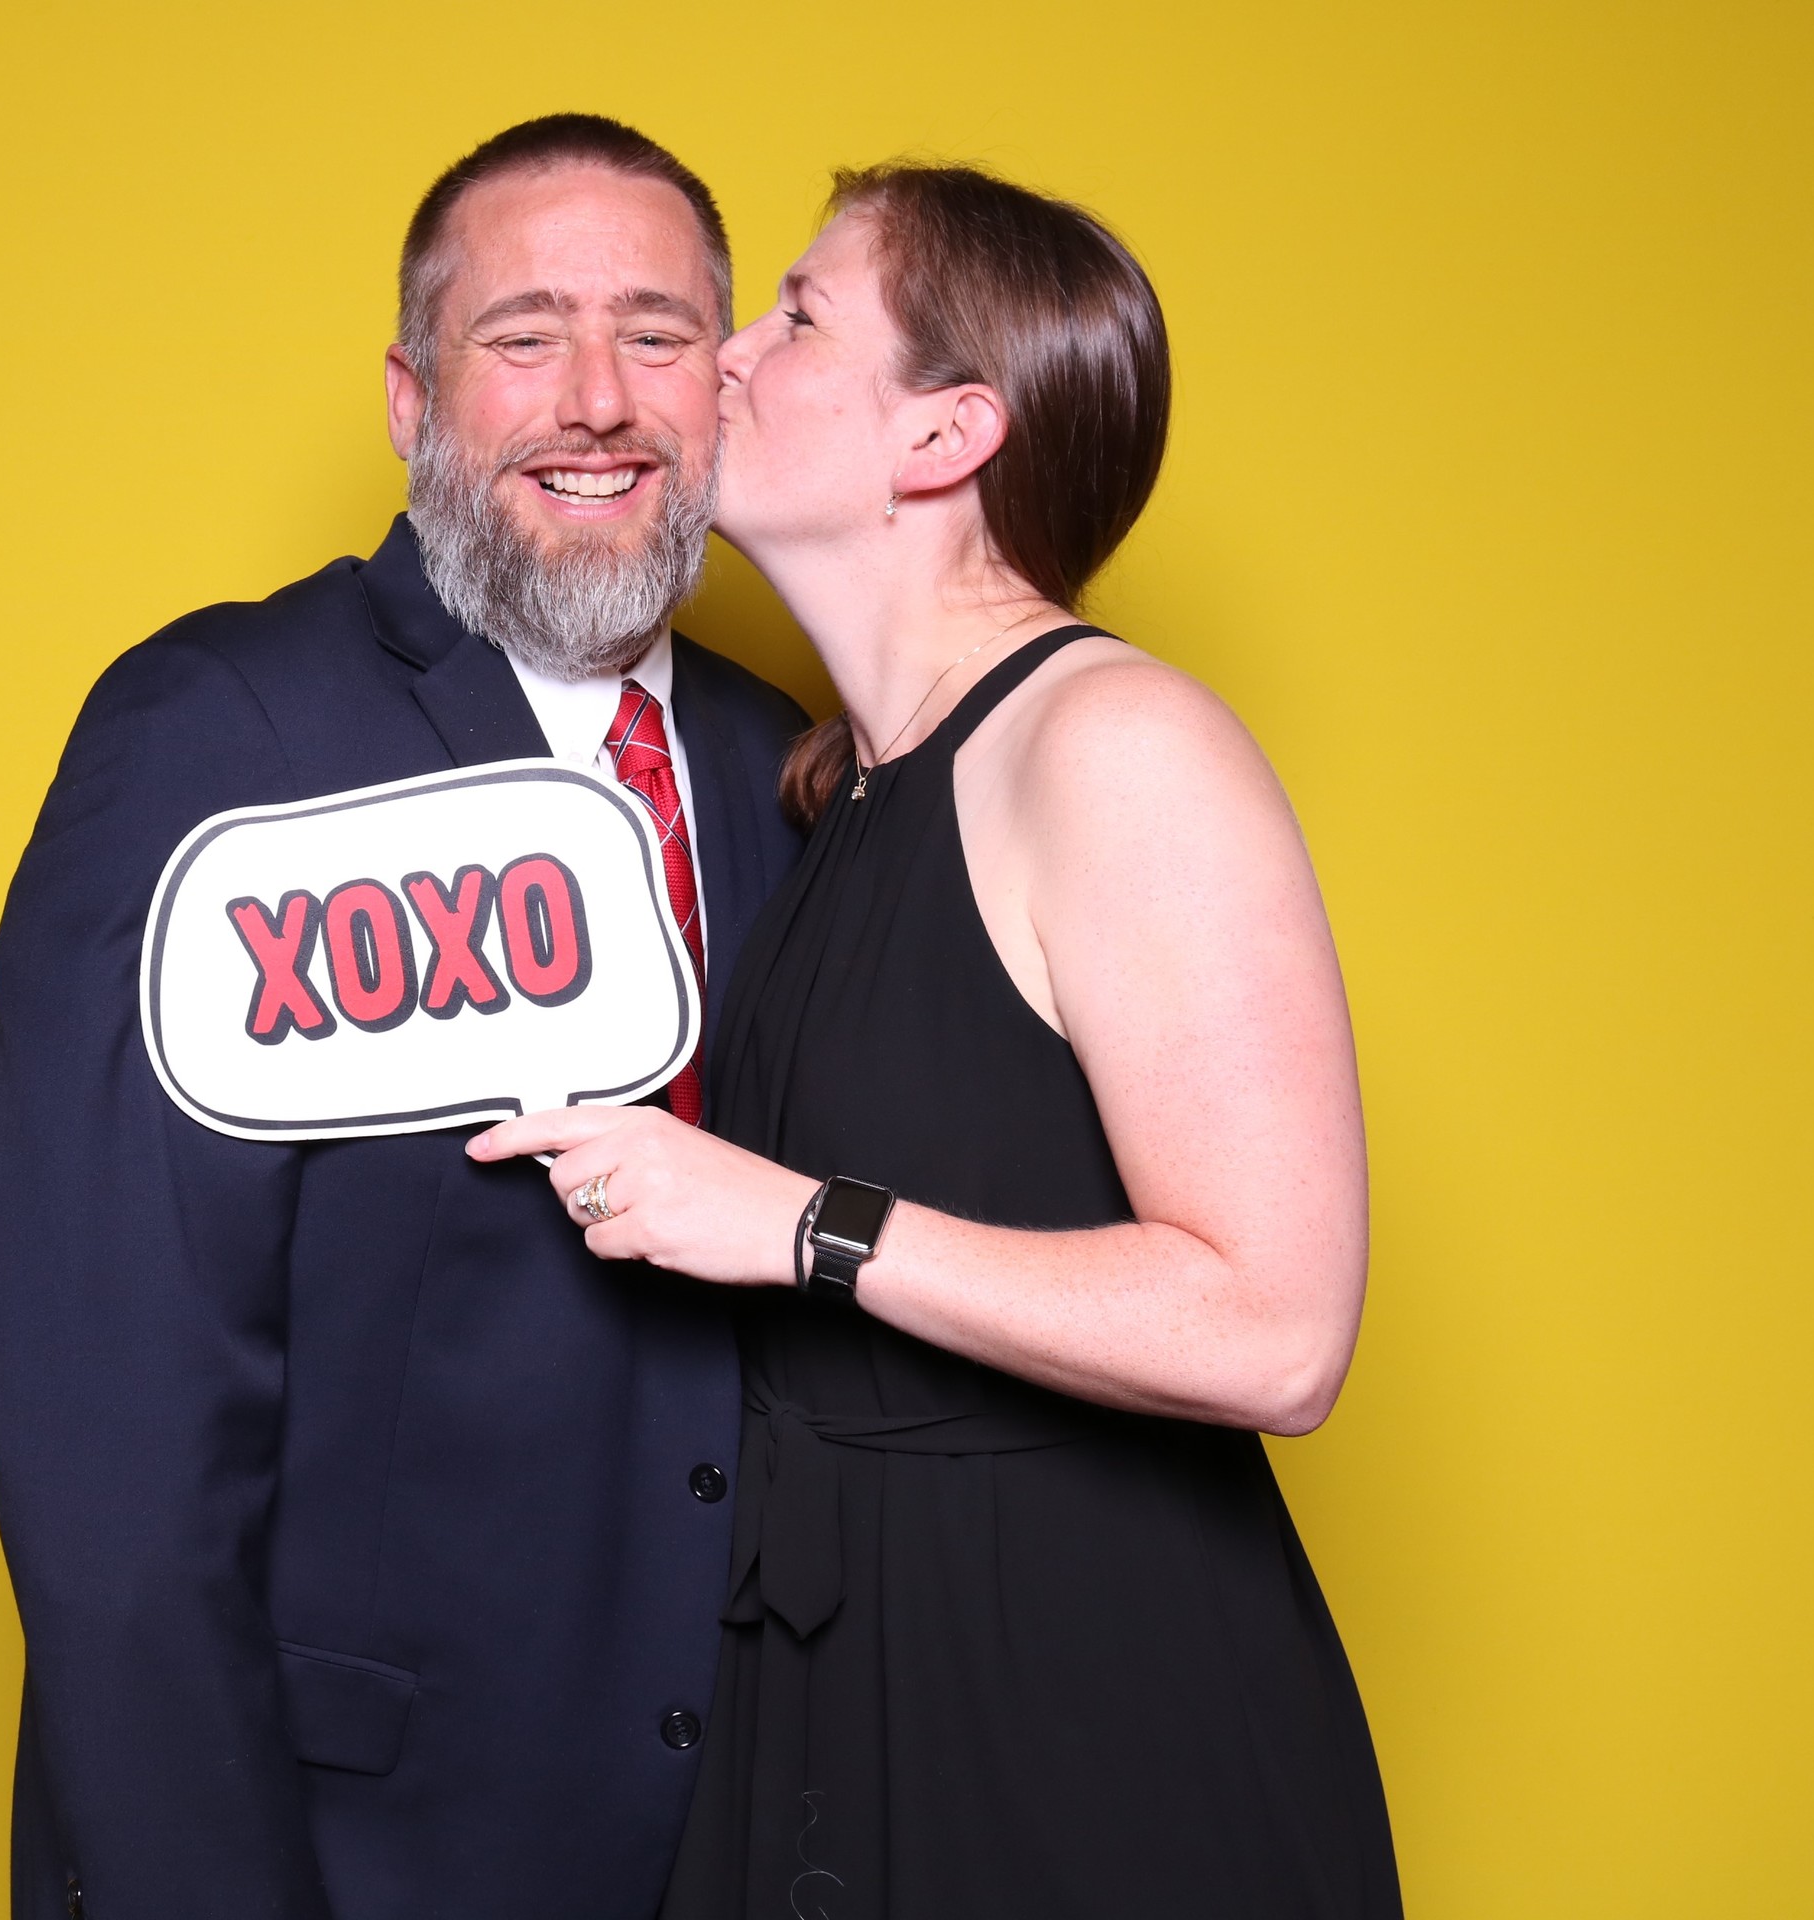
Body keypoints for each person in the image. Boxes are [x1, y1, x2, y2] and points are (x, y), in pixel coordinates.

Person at [471, 165, 1403, 1915]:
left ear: (946, 433)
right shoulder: (839, 791)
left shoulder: (1116, 747)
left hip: (1082, 1719)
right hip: (834, 1687)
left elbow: (1279, 1332)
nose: (724, 355)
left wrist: (799, 1225)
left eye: (800, 317)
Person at [0, 115, 810, 1919]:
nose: (600, 400)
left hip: (741, 1838)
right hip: (347, 1852)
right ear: (412, 401)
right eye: (525, 336)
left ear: (726, 391)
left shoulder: (790, 766)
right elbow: (114, 1451)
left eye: (657, 335)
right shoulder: (222, 736)